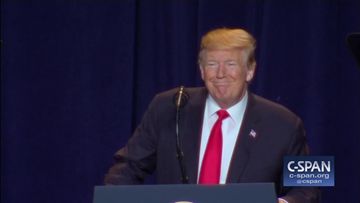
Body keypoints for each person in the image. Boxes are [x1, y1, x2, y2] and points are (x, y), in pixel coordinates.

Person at [104, 28, 320, 203]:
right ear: (201, 70)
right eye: (212, 64)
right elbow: (127, 167)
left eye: (231, 64)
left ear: (250, 70)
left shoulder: (285, 123)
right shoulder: (168, 107)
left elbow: (311, 188)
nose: (220, 74)